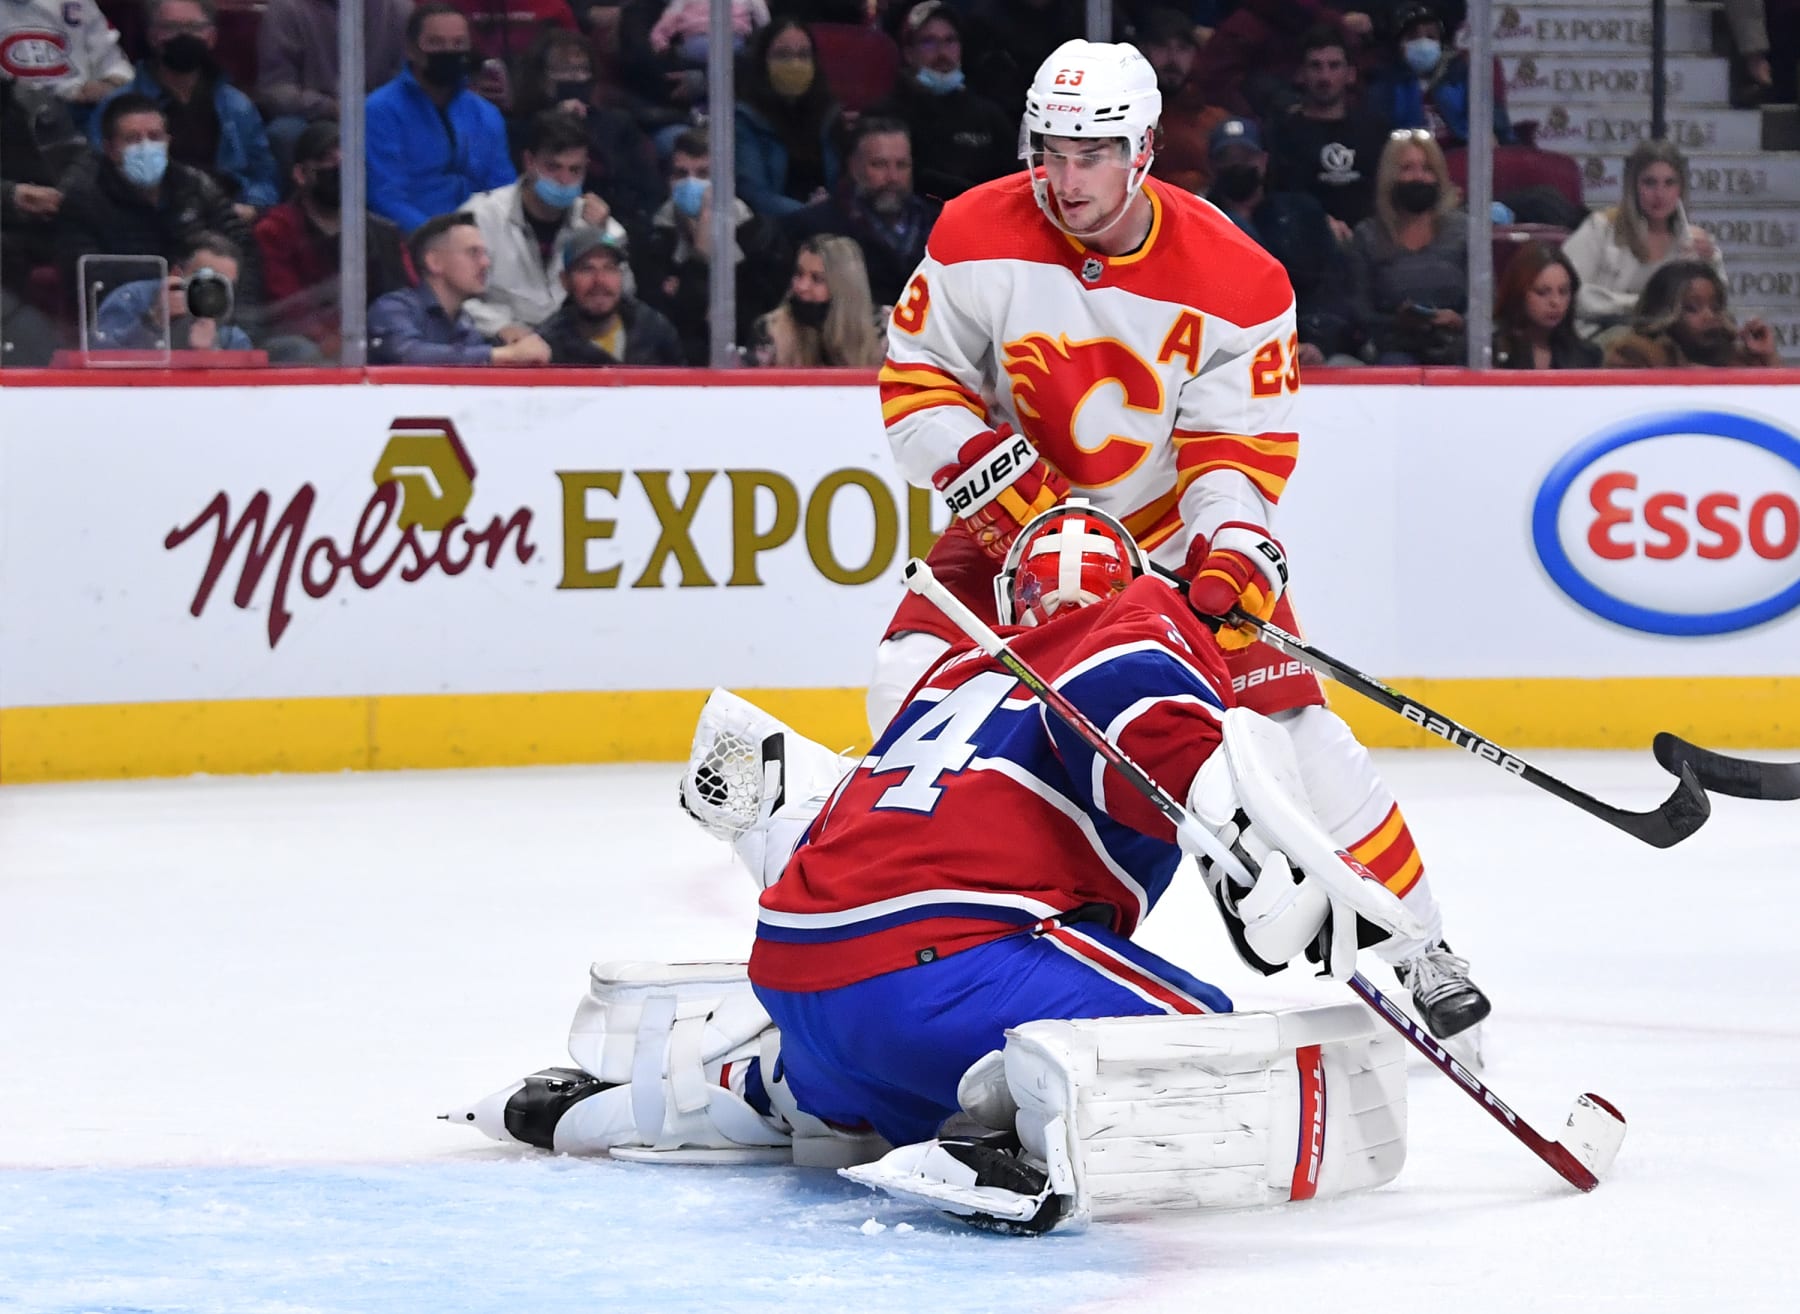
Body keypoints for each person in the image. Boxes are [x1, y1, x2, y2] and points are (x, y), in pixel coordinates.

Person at [448, 502, 1415, 1232]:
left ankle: (716, 1097)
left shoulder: (952, 674)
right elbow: (1138, 715)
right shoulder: (1136, 628)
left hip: (801, 975)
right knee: (1197, 1048)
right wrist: (1263, 851)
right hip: (947, 965)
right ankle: (1000, 1133)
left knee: (866, 1041)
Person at [872, 38, 1488, 1041]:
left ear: (1145, 149)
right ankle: (936, 916)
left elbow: (1233, 458)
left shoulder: (1236, 279)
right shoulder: (975, 228)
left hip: (1163, 535)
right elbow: (916, 387)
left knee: (1295, 735)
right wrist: (1021, 499)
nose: (1065, 181)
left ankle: (1417, 946)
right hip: (1011, 526)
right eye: (1051, 152)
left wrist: (1232, 550)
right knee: (906, 686)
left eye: (1093, 155)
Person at [57, 93, 261, 313]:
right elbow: (85, 277)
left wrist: (239, 319)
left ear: (168, 142)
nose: (146, 146)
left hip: (210, 313)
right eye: (132, 139)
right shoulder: (84, 200)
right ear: (110, 149)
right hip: (127, 320)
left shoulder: (197, 186)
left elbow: (244, 252)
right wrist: (172, 280)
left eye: (155, 137)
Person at [93, 0, 281, 216]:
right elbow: (96, 175)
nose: (183, 36)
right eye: (170, 28)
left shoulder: (238, 106)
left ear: (211, 37)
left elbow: (265, 176)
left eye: (194, 27)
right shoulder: (118, 104)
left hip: (225, 214)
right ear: (153, 36)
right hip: (144, 219)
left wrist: (251, 207)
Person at [460, 110, 628, 342]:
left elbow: (625, 294)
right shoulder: (481, 215)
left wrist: (599, 236)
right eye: (553, 167)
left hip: (574, 348)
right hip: (497, 347)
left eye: (575, 170)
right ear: (529, 162)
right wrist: (500, 327)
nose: (564, 179)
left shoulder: (597, 221)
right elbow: (454, 294)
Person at [1205, 116, 1360, 366]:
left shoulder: (1303, 213)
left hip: (1309, 346)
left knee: (1345, 366)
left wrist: (1319, 342)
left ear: (1263, 162)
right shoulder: (1198, 222)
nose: (1236, 165)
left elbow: (1333, 288)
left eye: (1245, 157)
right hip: (1228, 355)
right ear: (1212, 167)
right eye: (1227, 158)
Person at [632, 128, 793, 365]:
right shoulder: (651, 239)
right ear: (668, 180)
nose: (691, 183)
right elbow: (668, 327)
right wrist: (700, 259)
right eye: (681, 173)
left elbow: (761, 318)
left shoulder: (760, 236)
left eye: (703, 174)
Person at [253, 120, 410, 361]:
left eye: (348, 159)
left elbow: (406, 297)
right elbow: (287, 309)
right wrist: (341, 341)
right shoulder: (275, 230)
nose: (340, 166)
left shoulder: (383, 233)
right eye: (327, 158)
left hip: (378, 344)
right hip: (311, 348)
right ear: (300, 174)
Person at [365, 3, 515, 233]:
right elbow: (386, 197)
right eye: (435, 42)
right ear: (411, 49)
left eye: (458, 43)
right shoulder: (380, 110)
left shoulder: (486, 114)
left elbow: (503, 191)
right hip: (410, 239)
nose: (448, 51)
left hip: (482, 238)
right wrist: (437, 238)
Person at [1562, 139, 1724, 344]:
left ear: (1680, 189)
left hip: (1670, 339)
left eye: (1669, 183)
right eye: (1650, 182)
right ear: (1633, 186)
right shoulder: (1601, 228)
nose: (1660, 194)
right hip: (1603, 333)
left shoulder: (1692, 240)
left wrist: (1712, 262)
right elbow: (1568, 292)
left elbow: (1718, 304)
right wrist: (1643, 304)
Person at [506, 27, 662, 235]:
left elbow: (645, 187)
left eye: (583, 70)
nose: (577, 78)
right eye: (564, 70)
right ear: (542, 78)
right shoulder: (521, 127)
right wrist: (556, 121)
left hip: (612, 225)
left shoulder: (617, 123)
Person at [783, 116, 938, 308]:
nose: (893, 177)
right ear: (854, 167)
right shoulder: (815, 226)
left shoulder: (940, 224)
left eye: (902, 165)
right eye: (879, 165)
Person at [872, 2, 1016, 202]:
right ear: (908, 53)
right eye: (928, 42)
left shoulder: (989, 117)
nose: (942, 52)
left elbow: (1015, 186)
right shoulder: (885, 116)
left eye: (950, 41)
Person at [1347, 127, 1467, 364]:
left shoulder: (1464, 231)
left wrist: (1459, 320)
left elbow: (1488, 302)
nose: (1419, 177)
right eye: (1407, 169)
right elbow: (1358, 312)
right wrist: (1397, 322)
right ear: (1390, 177)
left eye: (1427, 169)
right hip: (1392, 348)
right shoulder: (1367, 235)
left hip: (1457, 345)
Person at [367, 210, 552, 364]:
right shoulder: (394, 308)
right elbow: (407, 354)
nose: (486, 263)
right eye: (473, 253)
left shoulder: (466, 325)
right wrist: (504, 355)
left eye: (484, 254)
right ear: (434, 262)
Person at [1264, 24, 1392, 239]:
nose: (1325, 76)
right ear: (1301, 74)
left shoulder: (1376, 130)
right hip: (1303, 244)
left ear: (1350, 74)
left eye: (1334, 66)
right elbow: (1277, 201)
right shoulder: (1282, 133)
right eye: (1316, 66)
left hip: (1370, 243)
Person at [733, 17, 841, 219]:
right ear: (763, 61)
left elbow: (846, 185)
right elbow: (753, 194)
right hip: (776, 229)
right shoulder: (746, 119)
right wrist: (810, 214)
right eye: (782, 55)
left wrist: (831, 208)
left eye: (803, 55)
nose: (794, 64)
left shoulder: (830, 114)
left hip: (830, 226)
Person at [1364, 3, 1512, 149]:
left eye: (1431, 36)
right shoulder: (1385, 86)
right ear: (1399, 45)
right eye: (1413, 37)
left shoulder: (1462, 76)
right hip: (1412, 164)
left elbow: (1499, 129)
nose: (1423, 43)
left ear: (1441, 44)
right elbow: (1379, 141)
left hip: (1459, 159)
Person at [535, 227, 684, 365]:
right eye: (586, 269)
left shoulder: (654, 329)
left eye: (609, 268)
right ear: (565, 280)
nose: (600, 280)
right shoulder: (548, 345)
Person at [91, 230, 253, 351]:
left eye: (223, 285)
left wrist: (210, 354)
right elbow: (98, 354)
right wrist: (152, 323)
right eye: (205, 282)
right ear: (176, 274)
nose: (213, 292)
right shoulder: (131, 298)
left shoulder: (230, 332)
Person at [1602, 259, 1780, 369]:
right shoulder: (1634, 353)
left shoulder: (1736, 357)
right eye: (1692, 307)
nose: (1709, 316)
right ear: (1663, 312)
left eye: (1716, 307)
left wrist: (1767, 356)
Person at [747, 235, 883, 367]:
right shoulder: (770, 331)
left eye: (817, 279)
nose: (801, 286)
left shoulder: (885, 329)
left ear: (844, 287)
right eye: (799, 274)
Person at [0, 0, 133, 134]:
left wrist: (108, 84)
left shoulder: (79, 3)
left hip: (79, 116)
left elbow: (114, 63)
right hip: (9, 119)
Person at [1133, 6, 1227, 195]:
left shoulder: (1215, 118)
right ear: (1144, 50)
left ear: (1195, 55)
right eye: (1162, 46)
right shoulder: (1129, 115)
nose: (1172, 58)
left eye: (1182, 48)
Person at [1491, 242, 1601, 371]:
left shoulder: (1587, 356)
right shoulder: (1488, 351)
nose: (1555, 302)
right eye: (1542, 292)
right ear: (1518, 293)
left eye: (1563, 291)